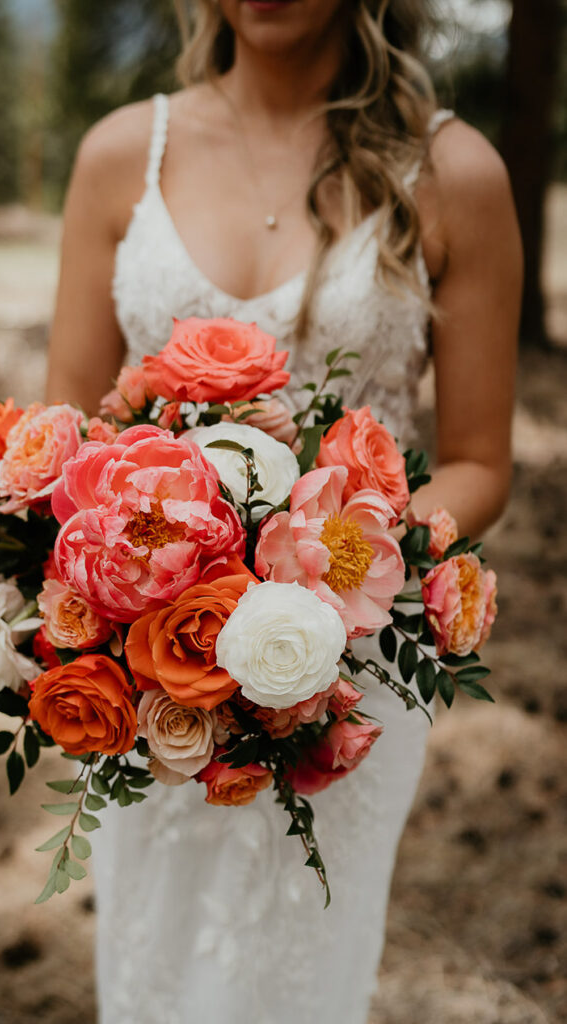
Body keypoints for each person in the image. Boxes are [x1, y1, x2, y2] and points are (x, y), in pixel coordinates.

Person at [46, 2, 521, 1022]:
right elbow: (69, 445)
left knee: (299, 976)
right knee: (157, 969)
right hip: (156, 676)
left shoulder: (456, 174)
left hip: (344, 678)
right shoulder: (120, 154)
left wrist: (326, 593)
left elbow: (480, 459)